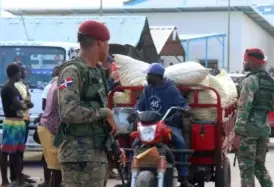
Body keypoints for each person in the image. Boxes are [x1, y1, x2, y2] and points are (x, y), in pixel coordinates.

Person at [55, 20, 126, 187]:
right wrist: (105, 113)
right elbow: (69, 112)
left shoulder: (96, 72)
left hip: (96, 154)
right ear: (100, 43)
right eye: (107, 44)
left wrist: (114, 147)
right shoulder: (72, 71)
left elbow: (100, 119)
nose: (108, 48)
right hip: (79, 157)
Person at [133, 63, 194, 187]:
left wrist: (186, 109)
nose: (146, 78)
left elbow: (182, 104)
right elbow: (139, 106)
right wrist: (134, 112)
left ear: (157, 76)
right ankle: (129, 174)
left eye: (149, 75)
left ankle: (183, 177)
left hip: (168, 125)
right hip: (149, 127)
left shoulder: (171, 89)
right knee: (134, 144)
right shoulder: (147, 89)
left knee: (181, 143)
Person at [235, 48, 274, 187]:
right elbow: (273, 107)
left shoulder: (250, 81)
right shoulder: (271, 82)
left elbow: (244, 107)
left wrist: (238, 131)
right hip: (264, 130)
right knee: (259, 167)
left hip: (249, 131)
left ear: (252, 62)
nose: (244, 62)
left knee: (247, 169)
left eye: (245, 60)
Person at [0, 63, 33, 187]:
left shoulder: (13, 87)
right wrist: (25, 105)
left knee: (17, 153)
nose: (22, 74)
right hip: (12, 122)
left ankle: (19, 179)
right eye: (20, 72)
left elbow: (22, 104)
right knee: (5, 152)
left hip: (18, 122)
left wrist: (24, 104)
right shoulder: (8, 88)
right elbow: (20, 105)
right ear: (16, 73)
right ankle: (4, 181)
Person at [38, 65, 62, 187]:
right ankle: (48, 181)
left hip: (47, 126)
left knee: (54, 165)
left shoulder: (52, 85)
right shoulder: (59, 86)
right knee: (57, 167)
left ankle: (48, 181)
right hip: (52, 128)